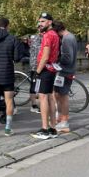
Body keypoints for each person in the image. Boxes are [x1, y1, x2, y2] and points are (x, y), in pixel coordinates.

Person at [31, 12, 60, 140]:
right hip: (52, 69)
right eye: (39, 21)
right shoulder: (55, 34)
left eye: (42, 21)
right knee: (50, 98)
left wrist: (37, 71)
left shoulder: (48, 35)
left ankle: (44, 129)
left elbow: (45, 56)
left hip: (45, 70)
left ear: (49, 22)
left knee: (43, 98)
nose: (40, 24)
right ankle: (52, 128)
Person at [52, 21, 77, 133]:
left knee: (63, 96)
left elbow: (67, 58)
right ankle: (61, 119)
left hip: (64, 71)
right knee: (60, 95)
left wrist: (56, 58)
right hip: (68, 71)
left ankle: (64, 122)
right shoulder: (71, 36)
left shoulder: (66, 39)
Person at [28, 31, 43, 113]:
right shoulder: (38, 39)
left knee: (35, 86)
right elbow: (39, 52)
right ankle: (36, 105)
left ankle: (35, 105)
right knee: (37, 86)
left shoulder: (35, 37)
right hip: (37, 66)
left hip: (35, 65)